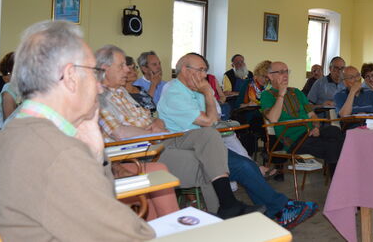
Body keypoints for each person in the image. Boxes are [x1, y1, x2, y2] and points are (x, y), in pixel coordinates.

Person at [0, 21, 155, 241]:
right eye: (95, 73)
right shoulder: (60, 153)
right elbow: (133, 236)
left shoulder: (11, 133)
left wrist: (94, 152)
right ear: (71, 77)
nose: (100, 86)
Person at [96, 46, 263, 220]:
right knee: (211, 160)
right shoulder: (99, 95)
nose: (128, 69)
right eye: (122, 65)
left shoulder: (121, 91)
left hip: (162, 137)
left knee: (210, 136)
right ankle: (226, 210)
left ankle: (227, 209)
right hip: (141, 150)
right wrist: (152, 129)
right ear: (104, 68)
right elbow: (120, 132)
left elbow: (150, 116)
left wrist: (156, 122)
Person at [158, 53, 317, 228]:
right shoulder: (174, 91)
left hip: (207, 144)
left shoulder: (195, 91)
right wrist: (208, 94)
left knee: (247, 165)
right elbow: (209, 121)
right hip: (185, 148)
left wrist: (207, 97)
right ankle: (280, 208)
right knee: (243, 166)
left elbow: (216, 115)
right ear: (185, 70)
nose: (204, 75)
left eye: (205, 70)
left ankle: (278, 210)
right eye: (201, 70)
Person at [262, 61, 344, 175]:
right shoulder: (267, 95)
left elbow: (312, 115)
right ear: (270, 76)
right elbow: (273, 119)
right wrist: (281, 94)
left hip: (310, 134)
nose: (285, 75)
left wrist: (316, 127)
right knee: (333, 146)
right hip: (293, 141)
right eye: (281, 72)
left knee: (335, 131)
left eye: (286, 71)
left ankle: (339, 178)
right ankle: (339, 181)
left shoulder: (296, 92)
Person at [231, 60, 272, 157]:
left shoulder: (271, 88)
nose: (265, 80)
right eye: (263, 76)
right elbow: (237, 105)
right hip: (250, 116)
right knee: (260, 125)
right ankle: (251, 156)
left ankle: (271, 154)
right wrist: (248, 104)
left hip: (266, 116)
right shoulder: (248, 84)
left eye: (268, 77)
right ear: (257, 74)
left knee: (273, 124)